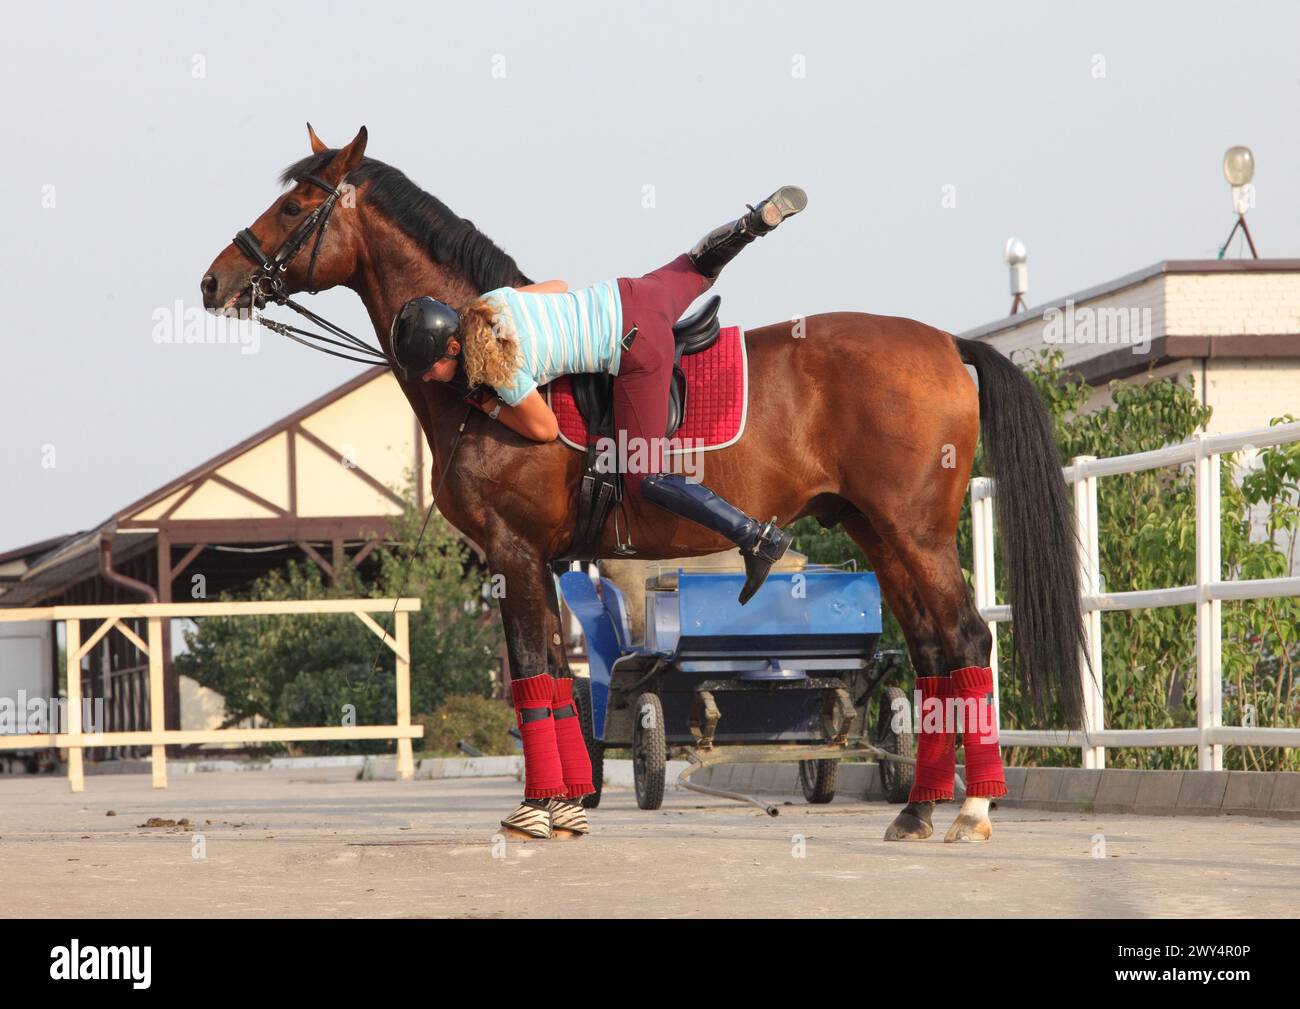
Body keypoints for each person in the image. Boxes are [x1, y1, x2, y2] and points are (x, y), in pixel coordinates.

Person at [392, 186, 807, 606]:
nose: (427, 380)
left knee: (645, 474)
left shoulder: (503, 371)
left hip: (636, 346)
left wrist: (489, 404)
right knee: (698, 266)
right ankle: (751, 225)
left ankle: (755, 537)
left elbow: (543, 427)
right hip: (632, 294)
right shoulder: (491, 303)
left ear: (453, 348)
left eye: (430, 370)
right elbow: (558, 285)